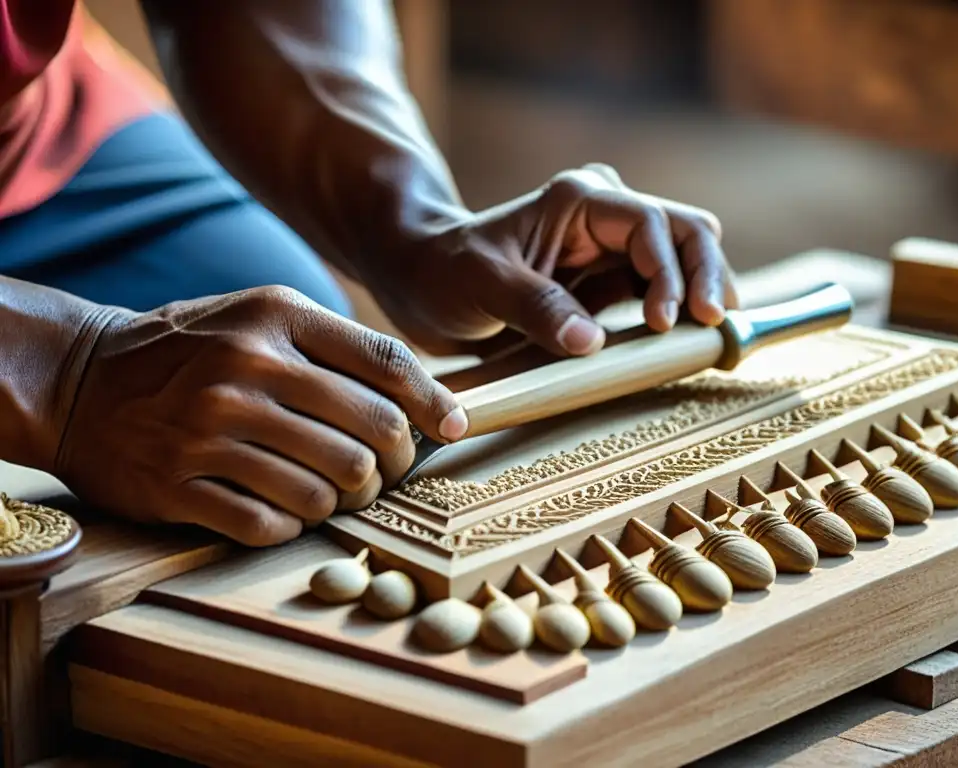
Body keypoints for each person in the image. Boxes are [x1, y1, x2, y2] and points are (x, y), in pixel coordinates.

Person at [0, 1, 736, 546]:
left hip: (35, 137)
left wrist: (412, 228)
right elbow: (66, 379)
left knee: (309, 419)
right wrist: (60, 373)